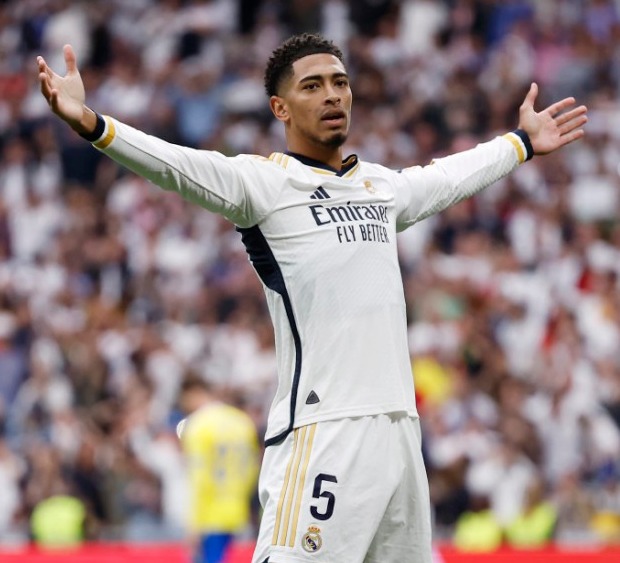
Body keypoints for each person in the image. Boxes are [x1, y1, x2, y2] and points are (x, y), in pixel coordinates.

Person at [37, 33, 587, 563]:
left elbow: (445, 177)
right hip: (325, 432)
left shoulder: (378, 187)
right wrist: (91, 123)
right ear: (280, 107)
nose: (332, 95)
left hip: (399, 433)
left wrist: (518, 145)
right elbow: (176, 166)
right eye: (313, 86)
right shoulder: (262, 185)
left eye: (340, 83)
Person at [176, 377, 259, 563]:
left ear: (191, 394)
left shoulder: (198, 426)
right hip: (238, 510)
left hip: (209, 513)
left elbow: (199, 478)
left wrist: (194, 524)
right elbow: (253, 469)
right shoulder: (242, 422)